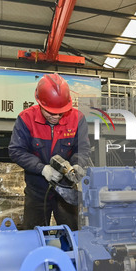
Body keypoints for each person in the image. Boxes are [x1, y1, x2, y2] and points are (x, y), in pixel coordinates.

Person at [9, 73, 90, 230]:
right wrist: (42, 168)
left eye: (61, 112)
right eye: (51, 112)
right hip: (37, 191)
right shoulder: (26, 119)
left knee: (73, 234)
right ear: (39, 103)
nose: (57, 116)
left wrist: (77, 164)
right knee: (33, 234)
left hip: (66, 190)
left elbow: (83, 148)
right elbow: (16, 150)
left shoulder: (77, 119)